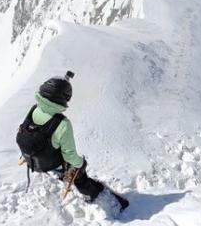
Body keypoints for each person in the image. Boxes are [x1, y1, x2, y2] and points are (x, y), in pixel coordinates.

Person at [16, 71, 129, 211]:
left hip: (32, 157)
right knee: (78, 168)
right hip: (49, 163)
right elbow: (70, 156)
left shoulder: (34, 109)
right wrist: (81, 163)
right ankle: (90, 194)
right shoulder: (62, 124)